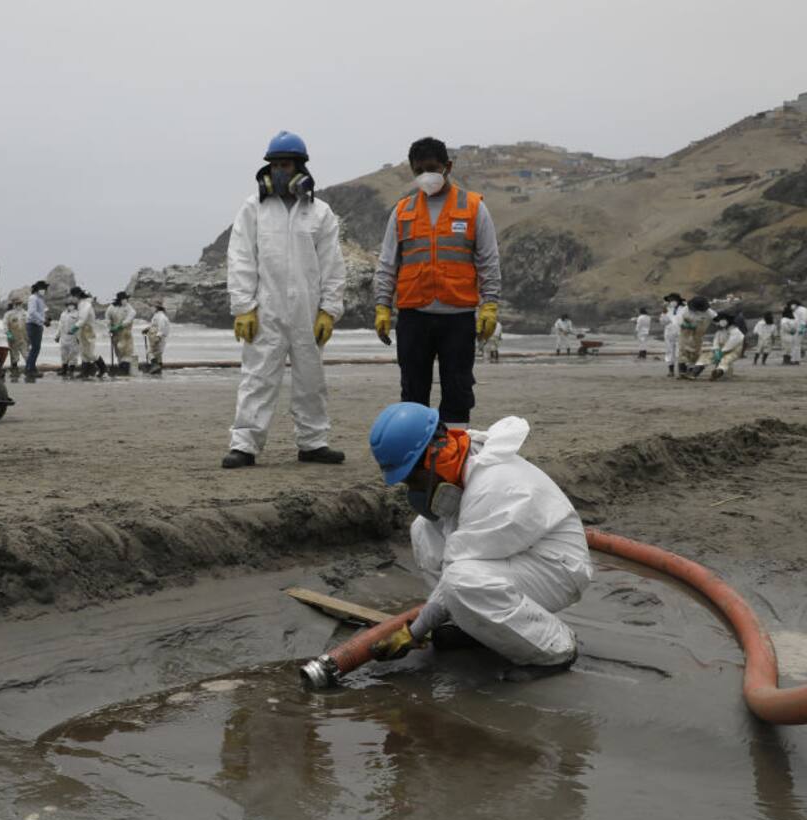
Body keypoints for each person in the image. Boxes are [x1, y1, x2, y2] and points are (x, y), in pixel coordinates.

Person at [367, 402, 590, 678]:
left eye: (413, 479)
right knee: (423, 530)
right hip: (518, 559)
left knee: (462, 582)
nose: (413, 490)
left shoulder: (493, 487)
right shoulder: (461, 462)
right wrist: (417, 630)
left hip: (558, 569)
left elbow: (456, 577)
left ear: (433, 455)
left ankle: (554, 649)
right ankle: (473, 625)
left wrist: (414, 631)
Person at [222, 130, 347, 468]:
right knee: (257, 377)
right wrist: (244, 308)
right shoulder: (253, 209)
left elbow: (332, 264)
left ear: (300, 168)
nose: (279, 171)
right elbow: (241, 258)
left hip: (308, 311)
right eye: (274, 164)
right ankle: (244, 445)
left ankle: (313, 442)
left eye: (285, 164)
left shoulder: (320, 213)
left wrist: (328, 311)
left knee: (312, 379)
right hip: (266, 309)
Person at [374, 137, 500, 429]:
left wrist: (490, 305)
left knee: (458, 390)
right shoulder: (402, 211)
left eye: (431, 168)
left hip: (457, 318)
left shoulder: (473, 208)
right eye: (419, 170)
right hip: (413, 317)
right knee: (413, 392)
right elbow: (387, 264)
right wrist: (382, 306)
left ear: (448, 167)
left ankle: (452, 457)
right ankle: (417, 459)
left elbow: (488, 261)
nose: (425, 175)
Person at [690, 312, 744, 380]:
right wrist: (716, 350)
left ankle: (718, 372)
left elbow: (732, 343)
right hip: (720, 350)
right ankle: (695, 372)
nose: (717, 323)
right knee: (706, 356)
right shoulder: (720, 331)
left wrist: (722, 351)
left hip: (733, 351)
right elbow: (716, 341)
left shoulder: (736, 331)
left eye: (719, 321)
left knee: (726, 360)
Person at [71, 287, 104, 379]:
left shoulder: (86, 304)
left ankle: (103, 368)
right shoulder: (81, 304)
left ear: (77, 295)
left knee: (90, 352)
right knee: (83, 351)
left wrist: (75, 327)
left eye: (73, 296)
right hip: (83, 330)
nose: (72, 298)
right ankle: (85, 372)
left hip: (88, 330)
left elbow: (83, 318)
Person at [677, 296, 715, 377]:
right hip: (685, 332)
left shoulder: (709, 312)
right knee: (682, 349)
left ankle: (691, 368)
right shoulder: (685, 310)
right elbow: (678, 318)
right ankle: (682, 369)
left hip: (699, 334)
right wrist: (684, 324)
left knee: (696, 350)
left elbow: (717, 319)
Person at [106, 291, 137, 375]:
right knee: (118, 353)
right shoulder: (112, 307)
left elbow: (129, 319)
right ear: (119, 299)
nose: (125, 301)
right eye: (123, 299)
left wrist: (119, 326)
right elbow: (108, 318)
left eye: (126, 299)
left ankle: (124, 371)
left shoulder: (129, 308)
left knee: (127, 353)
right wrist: (110, 328)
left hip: (126, 333)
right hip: (116, 334)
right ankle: (122, 370)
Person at [24, 280, 49, 378]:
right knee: (35, 348)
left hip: (37, 325)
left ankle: (31, 367)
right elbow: (32, 312)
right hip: (33, 325)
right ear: (38, 289)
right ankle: (29, 369)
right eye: (44, 288)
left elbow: (41, 311)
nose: (45, 290)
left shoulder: (40, 299)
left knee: (36, 348)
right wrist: (43, 320)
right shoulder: (33, 298)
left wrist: (45, 319)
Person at [660, 293, 684, 377]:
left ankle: (682, 370)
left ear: (678, 300)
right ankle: (671, 370)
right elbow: (663, 322)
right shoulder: (667, 310)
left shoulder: (683, 309)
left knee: (680, 351)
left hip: (681, 332)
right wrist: (663, 312)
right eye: (670, 300)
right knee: (669, 351)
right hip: (669, 333)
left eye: (674, 300)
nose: (672, 302)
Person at [2, 297, 28, 374]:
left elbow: (29, 324)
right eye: (17, 304)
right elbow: (5, 325)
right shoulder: (8, 314)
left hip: (23, 337)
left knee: (26, 354)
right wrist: (9, 334)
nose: (18, 305)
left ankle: (29, 368)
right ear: (13, 304)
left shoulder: (25, 313)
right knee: (14, 354)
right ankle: (14, 368)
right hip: (13, 337)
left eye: (20, 303)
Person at [55, 298, 81, 376]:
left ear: (75, 305)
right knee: (63, 354)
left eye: (72, 304)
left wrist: (79, 338)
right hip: (63, 338)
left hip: (73, 338)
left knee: (73, 355)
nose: (70, 306)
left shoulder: (78, 314)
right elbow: (60, 326)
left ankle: (71, 370)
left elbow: (79, 326)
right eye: (69, 304)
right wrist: (57, 336)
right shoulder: (63, 314)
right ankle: (64, 370)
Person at [144, 302, 171, 374]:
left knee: (149, 353)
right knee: (158, 355)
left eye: (152, 307)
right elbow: (153, 325)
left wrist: (158, 337)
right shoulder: (157, 316)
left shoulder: (161, 317)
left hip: (159, 338)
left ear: (156, 308)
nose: (151, 309)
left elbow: (161, 328)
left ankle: (155, 366)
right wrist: (147, 329)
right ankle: (158, 371)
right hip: (157, 337)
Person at [794, 300, 807, 365]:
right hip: (801, 328)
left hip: (801, 329)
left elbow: (803, 320)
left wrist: (801, 329)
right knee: (799, 344)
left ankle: (797, 359)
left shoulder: (801, 310)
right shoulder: (798, 310)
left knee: (797, 344)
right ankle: (799, 357)